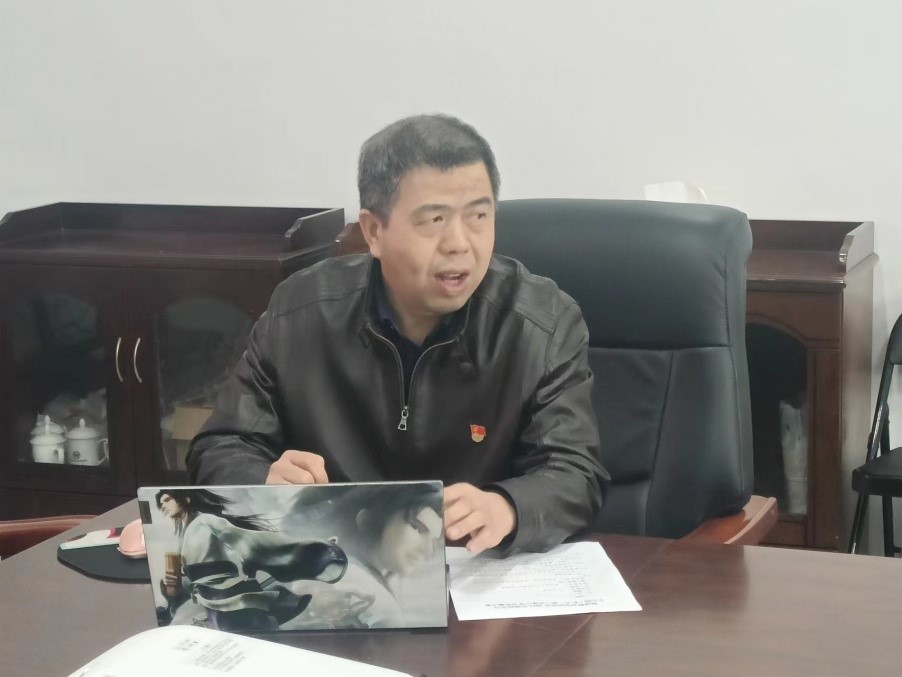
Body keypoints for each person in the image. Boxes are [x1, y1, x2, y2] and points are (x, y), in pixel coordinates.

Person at [187, 114, 608, 556]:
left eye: (479, 216)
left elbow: (575, 471)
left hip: (473, 567)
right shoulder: (301, 312)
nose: (460, 243)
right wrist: (263, 480)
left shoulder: (541, 325)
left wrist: (508, 506)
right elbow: (221, 446)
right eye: (434, 220)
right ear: (374, 231)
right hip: (334, 564)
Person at [155, 489, 349, 631]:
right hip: (210, 600)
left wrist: (305, 548)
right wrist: (173, 593)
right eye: (160, 503)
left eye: (167, 499)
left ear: (185, 499)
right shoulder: (183, 539)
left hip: (229, 595)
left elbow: (247, 541)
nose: (163, 505)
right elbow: (190, 584)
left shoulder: (205, 521)